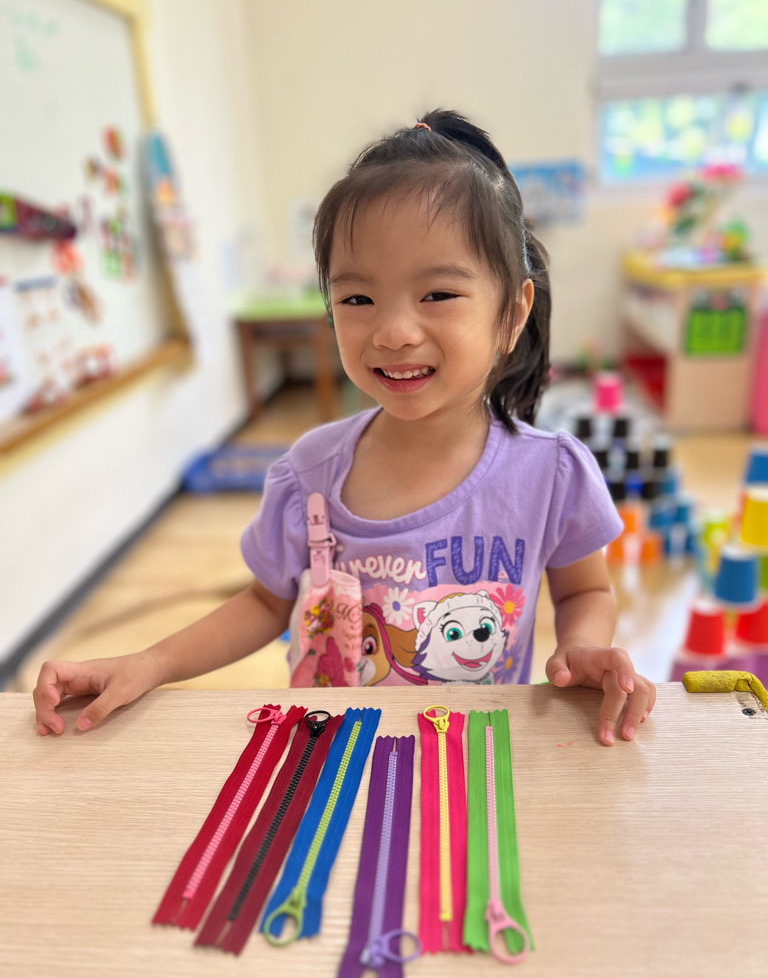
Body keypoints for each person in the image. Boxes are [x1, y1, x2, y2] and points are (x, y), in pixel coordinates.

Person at [33, 110, 656, 745]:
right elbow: (265, 602)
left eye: (438, 294)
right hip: (334, 751)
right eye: (357, 299)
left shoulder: (552, 474)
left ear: (512, 313)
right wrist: (150, 664)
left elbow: (584, 593)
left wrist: (581, 650)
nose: (394, 332)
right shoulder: (309, 472)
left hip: (468, 755)